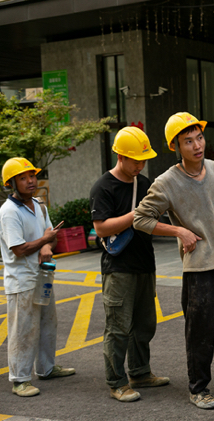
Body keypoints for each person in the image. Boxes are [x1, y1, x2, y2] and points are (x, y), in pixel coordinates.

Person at [134, 112, 214, 410]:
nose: (197, 145)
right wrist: (178, 230)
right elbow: (140, 218)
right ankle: (198, 388)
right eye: (188, 141)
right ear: (176, 146)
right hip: (198, 269)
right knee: (200, 333)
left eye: (199, 138)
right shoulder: (166, 182)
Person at [90, 126, 169, 403]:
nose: (140, 164)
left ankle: (140, 372)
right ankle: (116, 381)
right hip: (118, 267)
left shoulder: (144, 183)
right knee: (118, 327)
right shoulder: (103, 187)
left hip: (145, 263)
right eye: (136, 159)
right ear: (120, 156)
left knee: (145, 323)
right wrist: (135, 214)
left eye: (143, 159)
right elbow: (101, 228)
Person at [0, 157, 75, 397]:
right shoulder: (9, 212)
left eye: (32, 176)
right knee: (23, 329)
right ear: (12, 183)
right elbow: (19, 249)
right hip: (21, 281)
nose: (31, 181)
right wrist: (44, 241)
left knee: (47, 323)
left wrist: (46, 245)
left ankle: (46, 368)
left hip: (42, 275)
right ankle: (19, 379)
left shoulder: (39, 205)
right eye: (23, 178)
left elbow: (50, 234)